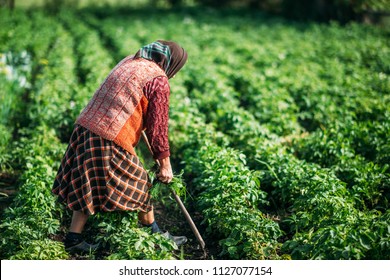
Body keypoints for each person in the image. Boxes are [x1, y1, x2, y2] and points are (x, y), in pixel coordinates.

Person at [52, 40, 188, 253]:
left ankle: (73, 239)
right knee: (141, 183)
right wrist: (165, 165)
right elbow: (158, 128)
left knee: (87, 181)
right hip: (109, 134)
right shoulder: (158, 79)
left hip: (86, 126)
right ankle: (154, 236)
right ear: (171, 62)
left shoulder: (129, 61)